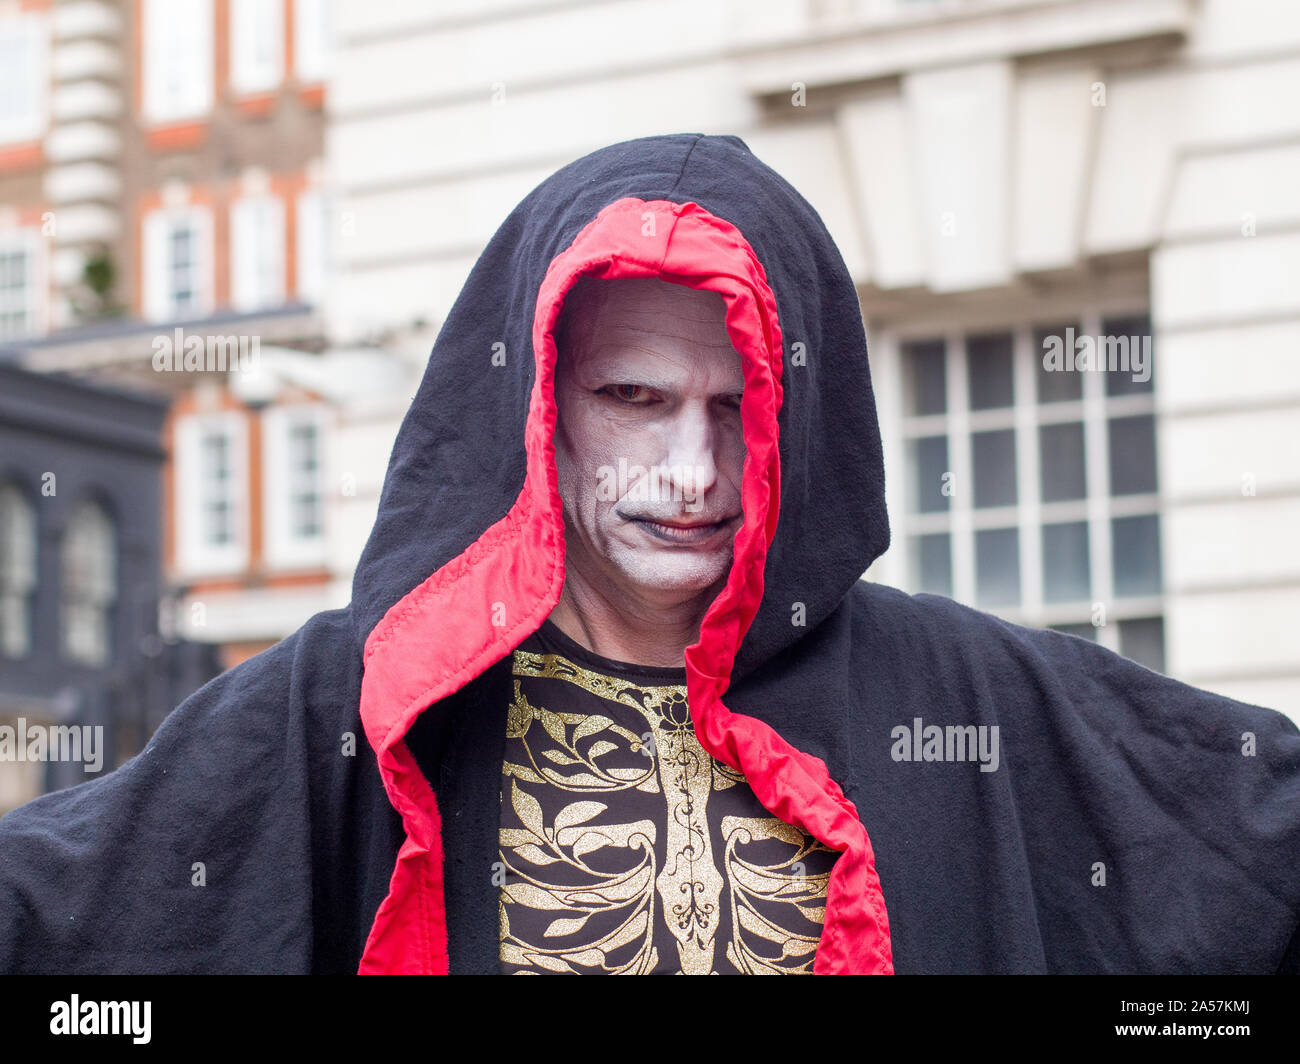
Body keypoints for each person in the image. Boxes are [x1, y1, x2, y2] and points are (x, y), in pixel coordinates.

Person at [1, 133, 1296, 974]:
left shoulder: (958, 694)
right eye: (634, 401)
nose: (693, 475)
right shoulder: (355, 704)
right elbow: (59, 916)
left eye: (741, 410)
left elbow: (1250, 840)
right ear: (542, 407)